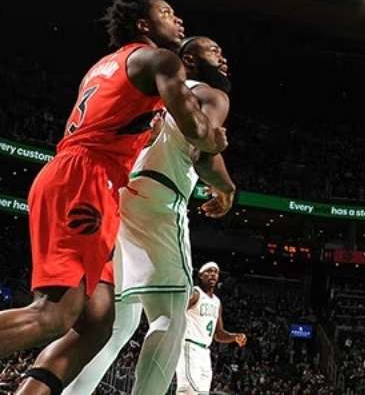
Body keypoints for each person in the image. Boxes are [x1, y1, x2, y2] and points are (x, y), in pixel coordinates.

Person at [0, 0, 226, 395]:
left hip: (92, 182)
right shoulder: (162, 59)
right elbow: (198, 131)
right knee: (52, 316)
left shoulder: (105, 65)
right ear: (144, 24)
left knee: (98, 324)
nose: (178, 20)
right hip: (85, 178)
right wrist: (215, 139)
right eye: (167, 12)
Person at [61, 36, 240, 395]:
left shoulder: (150, 90)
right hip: (160, 199)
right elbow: (202, 150)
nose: (224, 58)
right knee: (170, 315)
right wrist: (227, 187)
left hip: (121, 197)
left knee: (117, 325)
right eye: (214, 51)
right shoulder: (209, 94)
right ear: (189, 59)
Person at [174, 263, 247, 395]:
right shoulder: (195, 293)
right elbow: (176, 310)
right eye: (208, 271)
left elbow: (218, 334)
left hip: (205, 353)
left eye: (216, 272)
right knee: (188, 391)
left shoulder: (217, 302)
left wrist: (234, 337)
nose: (213, 274)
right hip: (190, 347)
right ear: (200, 276)